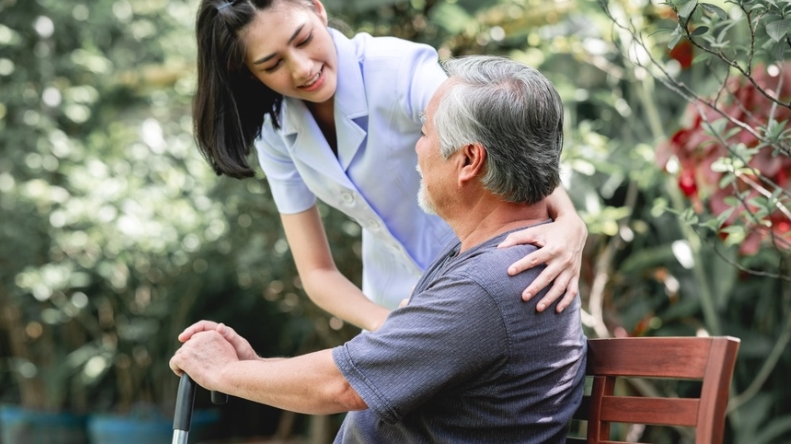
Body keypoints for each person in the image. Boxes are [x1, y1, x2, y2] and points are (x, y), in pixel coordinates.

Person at [172, 55, 587, 443]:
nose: (417, 148)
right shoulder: (487, 260)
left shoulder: (490, 285)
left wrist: (224, 372)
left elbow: (341, 385)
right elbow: (358, 372)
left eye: (424, 132)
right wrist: (251, 369)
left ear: (468, 161)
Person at [192, 0, 588, 331]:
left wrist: (570, 223)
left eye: (303, 39)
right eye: (272, 64)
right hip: (396, 302)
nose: (302, 68)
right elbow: (317, 273)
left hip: (494, 279)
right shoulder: (277, 132)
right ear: (246, 72)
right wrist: (391, 326)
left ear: (317, 8)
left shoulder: (395, 68)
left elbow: (500, 141)